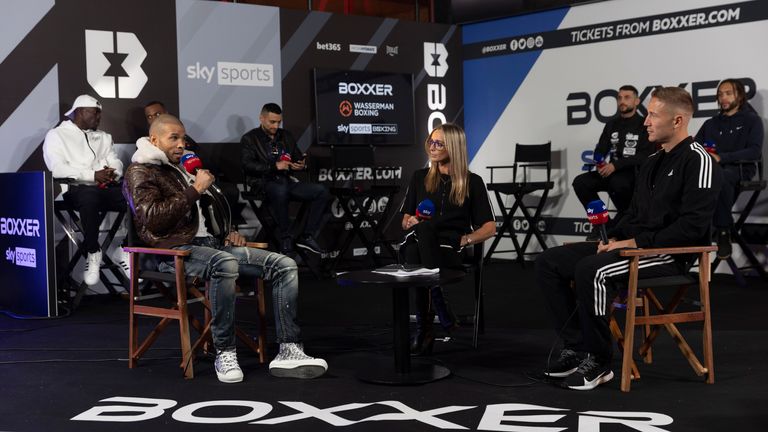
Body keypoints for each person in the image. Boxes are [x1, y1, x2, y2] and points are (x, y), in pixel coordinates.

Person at [536, 87, 722, 390]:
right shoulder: (652, 160)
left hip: (671, 255)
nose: (645, 121)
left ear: (677, 121)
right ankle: (577, 347)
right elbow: (633, 213)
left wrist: (634, 244)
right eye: (647, 113)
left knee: (591, 270)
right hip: (637, 248)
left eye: (652, 114)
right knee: (548, 262)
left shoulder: (699, 160)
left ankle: (599, 360)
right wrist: (613, 236)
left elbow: (692, 227)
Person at [123, 114, 327, 383]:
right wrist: (195, 189)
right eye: (174, 138)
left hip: (213, 247)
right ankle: (225, 351)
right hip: (174, 252)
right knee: (225, 264)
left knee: (284, 264)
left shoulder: (185, 168)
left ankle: (289, 348)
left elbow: (206, 215)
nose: (181, 144)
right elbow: (153, 219)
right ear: (154, 140)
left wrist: (228, 232)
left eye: (183, 138)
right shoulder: (141, 171)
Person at [399, 123, 496, 355]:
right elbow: (405, 220)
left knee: (415, 253)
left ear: (454, 147)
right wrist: (410, 221)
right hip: (421, 242)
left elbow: (490, 228)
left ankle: (424, 330)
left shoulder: (473, 182)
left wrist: (466, 240)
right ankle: (437, 304)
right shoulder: (419, 177)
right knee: (418, 239)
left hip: (451, 246)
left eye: (438, 143)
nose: (432, 147)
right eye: (430, 142)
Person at [43, 94, 128, 286]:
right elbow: (57, 169)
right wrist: (92, 175)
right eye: (95, 114)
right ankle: (93, 251)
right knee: (89, 196)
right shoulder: (57, 135)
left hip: (105, 188)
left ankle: (125, 249)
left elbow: (114, 160)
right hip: (75, 190)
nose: (99, 118)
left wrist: (113, 171)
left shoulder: (104, 137)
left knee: (136, 196)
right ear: (80, 112)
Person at [241, 103, 330, 255]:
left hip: (286, 182)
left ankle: (306, 236)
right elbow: (247, 165)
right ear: (261, 118)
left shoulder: (286, 136)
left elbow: (296, 157)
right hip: (262, 183)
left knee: (321, 191)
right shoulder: (250, 138)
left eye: (278, 122)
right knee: (280, 188)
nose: (276, 126)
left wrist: (300, 165)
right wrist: (275, 166)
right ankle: (285, 237)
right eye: (272, 122)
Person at [694, 78, 764, 260]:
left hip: (740, 169)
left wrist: (722, 157)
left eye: (728, 93)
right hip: (713, 171)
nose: (723, 98)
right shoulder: (711, 123)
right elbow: (695, 147)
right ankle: (693, 228)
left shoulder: (752, 120)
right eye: (720, 94)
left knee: (720, 176)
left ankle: (723, 231)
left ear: (739, 96)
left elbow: (754, 151)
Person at [572, 85, 653, 234]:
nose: (622, 101)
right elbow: (600, 149)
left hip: (633, 174)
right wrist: (599, 161)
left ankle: (623, 223)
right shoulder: (611, 124)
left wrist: (616, 165)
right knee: (581, 182)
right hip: (611, 172)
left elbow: (645, 155)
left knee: (618, 183)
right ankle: (605, 226)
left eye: (627, 97)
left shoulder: (644, 124)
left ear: (637, 101)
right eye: (619, 98)